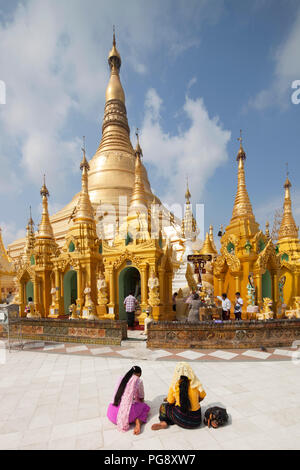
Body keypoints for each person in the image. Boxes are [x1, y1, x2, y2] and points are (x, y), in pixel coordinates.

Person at [152, 362, 206, 431]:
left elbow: (170, 402)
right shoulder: (196, 384)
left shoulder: (174, 385)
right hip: (196, 420)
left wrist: (177, 400)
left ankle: (164, 422)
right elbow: (202, 397)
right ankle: (171, 420)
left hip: (180, 418)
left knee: (164, 406)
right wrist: (193, 401)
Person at [107, 366, 150, 434]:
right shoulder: (138, 380)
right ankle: (138, 423)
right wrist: (140, 402)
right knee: (145, 407)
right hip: (126, 417)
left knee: (131, 406)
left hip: (111, 414)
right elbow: (141, 397)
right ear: (139, 374)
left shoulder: (121, 378)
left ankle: (134, 418)